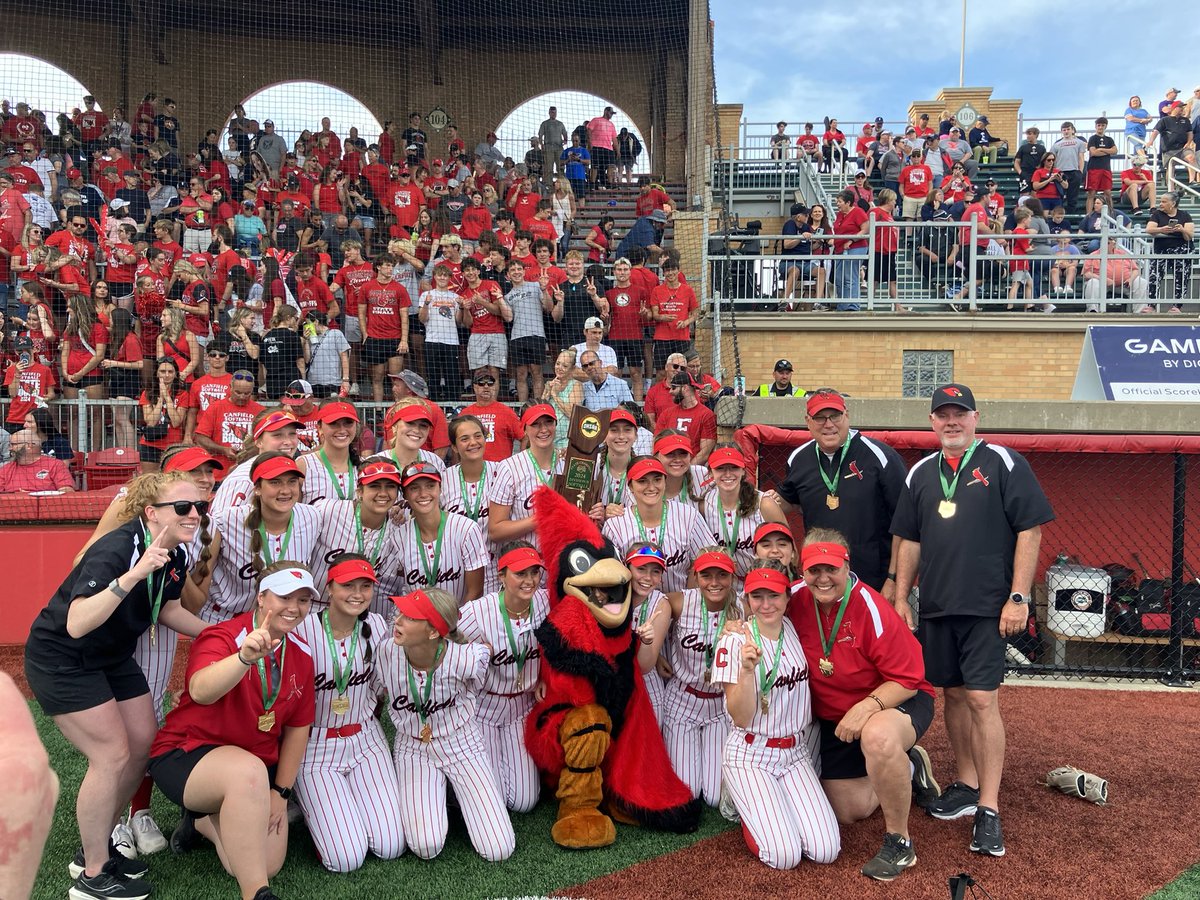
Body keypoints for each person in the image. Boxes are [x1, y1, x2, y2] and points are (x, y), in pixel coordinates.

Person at [891, 383, 1054, 858]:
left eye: (959, 414)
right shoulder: (921, 472)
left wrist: (1018, 597)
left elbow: (1031, 529)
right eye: (942, 415)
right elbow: (911, 540)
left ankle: (989, 807)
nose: (951, 422)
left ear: (976, 418)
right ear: (932, 422)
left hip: (987, 606)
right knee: (954, 696)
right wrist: (902, 596)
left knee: (982, 699)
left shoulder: (1003, 463)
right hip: (939, 607)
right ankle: (965, 783)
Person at [25, 472, 205, 900]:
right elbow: (77, 622)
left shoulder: (175, 551)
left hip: (110, 656)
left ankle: (97, 845)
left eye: (198, 506)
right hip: (64, 659)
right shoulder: (118, 548)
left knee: (143, 743)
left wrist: (222, 636)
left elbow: (169, 609)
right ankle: (91, 876)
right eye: (183, 507)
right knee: (111, 755)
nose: (194, 514)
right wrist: (132, 575)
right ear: (151, 512)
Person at [150, 562, 317, 900]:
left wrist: (280, 794)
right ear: (260, 598)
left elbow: (298, 728)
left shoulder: (301, 653)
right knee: (248, 773)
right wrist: (243, 658)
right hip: (190, 753)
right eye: (284, 597)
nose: (294, 608)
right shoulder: (223, 635)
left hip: (254, 770)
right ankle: (256, 893)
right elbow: (200, 690)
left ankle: (202, 823)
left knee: (265, 861)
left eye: (303, 599)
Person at [788, 531, 939, 880]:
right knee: (848, 809)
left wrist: (867, 706)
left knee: (879, 738)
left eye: (831, 569)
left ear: (846, 565)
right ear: (802, 571)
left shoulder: (871, 607)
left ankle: (899, 842)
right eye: (814, 570)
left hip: (897, 698)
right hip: (835, 718)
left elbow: (908, 678)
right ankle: (910, 767)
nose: (822, 578)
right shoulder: (794, 598)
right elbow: (756, 611)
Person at [711, 562, 840, 869]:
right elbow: (740, 717)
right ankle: (744, 804)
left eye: (774, 595)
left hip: (795, 753)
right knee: (784, 856)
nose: (766, 604)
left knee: (826, 851)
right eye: (757, 596)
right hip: (750, 752)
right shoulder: (734, 640)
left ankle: (767, 804)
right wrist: (745, 671)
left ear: (787, 597)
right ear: (747, 599)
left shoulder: (793, 628)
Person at [376, 586, 516, 861]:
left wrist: (484, 649)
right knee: (426, 847)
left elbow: (481, 658)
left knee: (499, 849)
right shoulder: (386, 652)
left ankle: (456, 792)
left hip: (460, 741)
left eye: (410, 617)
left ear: (432, 632)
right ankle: (446, 793)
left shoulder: (463, 658)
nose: (398, 621)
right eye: (401, 613)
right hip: (413, 745)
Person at [292, 554, 404, 872]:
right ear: (329, 588)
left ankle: (337, 807)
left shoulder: (378, 625)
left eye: (365, 586)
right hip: (315, 746)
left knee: (390, 846)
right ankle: (312, 804)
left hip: (365, 739)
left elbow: (385, 683)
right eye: (348, 585)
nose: (357, 593)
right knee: (346, 859)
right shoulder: (304, 628)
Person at [767, 389, 906, 597]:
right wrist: (764, 501)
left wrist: (893, 580)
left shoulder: (880, 456)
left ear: (847, 415)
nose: (828, 424)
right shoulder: (798, 458)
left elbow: (904, 525)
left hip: (872, 581)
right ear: (808, 421)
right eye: (820, 418)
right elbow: (789, 501)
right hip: (821, 581)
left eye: (835, 416)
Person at [458, 541, 550, 811]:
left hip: (522, 707)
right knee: (494, 798)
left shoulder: (544, 602)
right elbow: (445, 644)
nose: (529, 580)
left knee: (524, 801)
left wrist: (546, 675)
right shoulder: (476, 613)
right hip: (484, 707)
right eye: (520, 573)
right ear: (501, 575)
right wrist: (473, 656)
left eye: (534, 572)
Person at [187, 452, 323, 624]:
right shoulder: (226, 521)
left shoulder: (312, 517)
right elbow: (198, 587)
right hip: (223, 619)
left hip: (279, 622)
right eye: (275, 482)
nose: (286, 490)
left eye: (292, 481)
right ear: (257, 488)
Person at [658, 549, 742, 807]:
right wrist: (659, 652)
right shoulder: (679, 601)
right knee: (689, 792)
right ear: (695, 576)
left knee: (716, 797)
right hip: (683, 700)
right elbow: (645, 607)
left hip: (719, 704)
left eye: (722, 575)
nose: (714, 582)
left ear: (733, 578)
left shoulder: (744, 606)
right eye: (707, 575)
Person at [602, 456, 709, 593]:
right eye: (642, 481)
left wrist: (686, 600)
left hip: (681, 607)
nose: (651, 487)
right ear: (630, 486)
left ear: (665, 482)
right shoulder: (615, 525)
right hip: (633, 607)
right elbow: (610, 575)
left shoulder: (688, 515)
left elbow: (704, 559)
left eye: (657, 480)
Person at [395, 460, 486, 605]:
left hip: (460, 623)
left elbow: (475, 591)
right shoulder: (398, 537)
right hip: (417, 622)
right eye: (414, 488)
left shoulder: (467, 529)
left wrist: (452, 625)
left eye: (430, 486)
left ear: (440, 488)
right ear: (404, 494)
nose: (423, 494)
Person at [702, 445, 786, 584]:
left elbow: (789, 550)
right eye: (720, 468)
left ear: (743, 471)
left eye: (734, 467)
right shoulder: (705, 504)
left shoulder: (764, 503)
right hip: (723, 585)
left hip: (763, 581)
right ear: (711, 472)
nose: (728, 474)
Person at [1143, 192, 1194, 313]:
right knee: (1154, 276)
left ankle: (1177, 306)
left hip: (1182, 251)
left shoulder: (1185, 215)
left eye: (1164, 201)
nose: (1161, 204)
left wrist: (1182, 229)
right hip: (1161, 251)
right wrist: (1161, 229)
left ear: (1173, 203)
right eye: (1161, 201)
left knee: (1181, 278)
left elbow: (1189, 236)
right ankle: (1151, 305)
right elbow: (1149, 229)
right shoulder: (1157, 214)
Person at [461, 370, 524, 462]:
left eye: (490, 383)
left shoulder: (507, 412)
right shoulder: (465, 414)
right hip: (473, 469)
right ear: (474, 386)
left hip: (501, 471)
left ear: (494, 387)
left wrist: (521, 463)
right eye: (481, 383)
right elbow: (456, 442)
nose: (486, 386)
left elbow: (524, 438)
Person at [659, 371, 717, 463]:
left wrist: (687, 470)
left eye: (674, 388)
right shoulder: (666, 414)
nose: (670, 392)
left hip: (693, 470)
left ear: (685, 388)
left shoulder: (706, 415)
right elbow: (657, 444)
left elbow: (705, 452)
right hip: (668, 468)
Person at [1082, 237, 1148, 313]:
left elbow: (1135, 270)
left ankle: (1139, 313)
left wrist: (1131, 279)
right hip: (1103, 285)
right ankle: (1093, 311)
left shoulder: (1122, 254)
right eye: (1109, 242)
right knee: (1093, 282)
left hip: (1124, 285)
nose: (1113, 244)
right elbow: (1087, 274)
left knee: (1141, 282)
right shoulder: (1093, 256)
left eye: (1113, 242)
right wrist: (1103, 279)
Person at [0, 428, 75, 492]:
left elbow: (67, 490)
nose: (10, 448)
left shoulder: (55, 465)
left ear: (29, 446)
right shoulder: (6, 469)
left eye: (13, 444)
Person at [831, 189, 869, 311]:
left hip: (856, 247)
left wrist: (852, 240)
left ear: (848, 202)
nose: (837, 204)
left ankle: (853, 306)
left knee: (850, 276)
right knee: (839, 278)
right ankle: (842, 305)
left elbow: (865, 229)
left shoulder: (858, 212)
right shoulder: (839, 214)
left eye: (840, 202)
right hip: (839, 249)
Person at [1085, 117, 1118, 214]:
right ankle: (1088, 215)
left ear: (1106, 126)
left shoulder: (1109, 139)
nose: (1100, 127)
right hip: (1094, 168)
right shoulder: (1092, 138)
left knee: (1108, 192)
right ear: (1095, 126)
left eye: (1102, 125)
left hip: (1106, 168)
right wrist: (1108, 151)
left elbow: (1115, 151)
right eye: (1098, 125)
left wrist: (1101, 150)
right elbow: (1093, 153)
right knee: (1092, 193)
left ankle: (1111, 213)